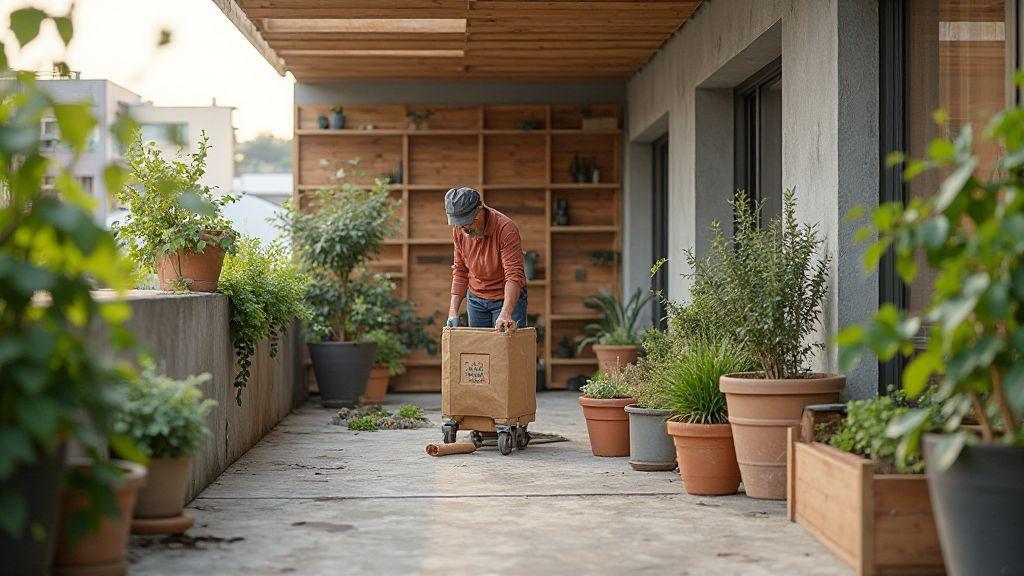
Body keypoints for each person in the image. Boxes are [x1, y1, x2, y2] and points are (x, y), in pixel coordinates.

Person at [444, 187, 527, 331]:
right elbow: (460, 270)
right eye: (460, 224)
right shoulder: (460, 230)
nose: (464, 230)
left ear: (480, 210)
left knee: (507, 351)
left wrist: (505, 314)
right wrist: (453, 312)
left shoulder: (505, 229)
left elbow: (514, 275)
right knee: (479, 352)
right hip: (476, 299)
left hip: (505, 299)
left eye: (468, 223)